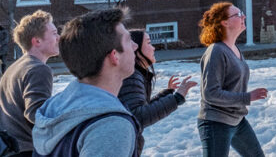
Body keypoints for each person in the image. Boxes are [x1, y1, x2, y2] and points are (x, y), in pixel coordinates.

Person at [32, 8, 139, 157]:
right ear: (115, 56)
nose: (135, 46)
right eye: (128, 40)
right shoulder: (109, 126)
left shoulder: (54, 107)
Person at [197, 2, 268, 157]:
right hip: (216, 122)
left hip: (237, 120)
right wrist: (247, 97)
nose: (244, 16)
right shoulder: (216, 52)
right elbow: (210, 93)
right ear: (225, 22)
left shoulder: (234, 49)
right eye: (237, 14)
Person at [119, 30, 197, 154]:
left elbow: (141, 107)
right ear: (135, 48)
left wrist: (166, 93)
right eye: (149, 43)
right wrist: (177, 98)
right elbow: (138, 116)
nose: (153, 48)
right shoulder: (132, 76)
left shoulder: (136, 74)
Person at [0, 10, 58, 156]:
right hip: (27, 150)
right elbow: (36, 114)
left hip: (10, 149)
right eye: (54, 33)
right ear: (37, 41)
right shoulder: (38, 69)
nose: (59, 37)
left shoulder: (13, 68)